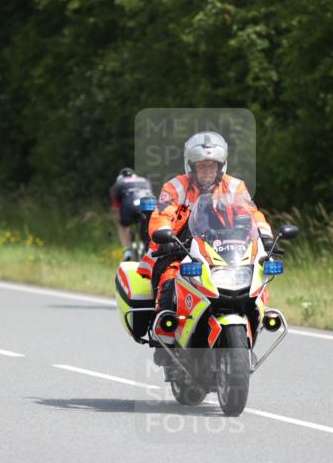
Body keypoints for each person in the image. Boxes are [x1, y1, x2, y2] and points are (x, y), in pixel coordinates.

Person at [137, 132, 274, 339]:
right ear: (191, 167)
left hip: (224, 250)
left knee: (256, 276)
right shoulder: (175, 187)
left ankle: (255, 320)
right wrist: (161, 233)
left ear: (221, 166)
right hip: (179, 249)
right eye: (202, 166)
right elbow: (163, 213)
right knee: (170, 282)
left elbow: (252, 213)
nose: (207, 171)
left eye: (211, 166)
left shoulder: (235, 186)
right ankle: (167, 339)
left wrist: (266, 236)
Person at [109, 167, 152, 261]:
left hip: (129, 205)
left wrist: (119, 220)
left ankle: (127, 251)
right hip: (146, 207)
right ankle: (146, 248)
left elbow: (116, 209)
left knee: (123, 226)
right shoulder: (144, 180)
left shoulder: (118, 184)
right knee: (145, 226)